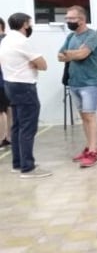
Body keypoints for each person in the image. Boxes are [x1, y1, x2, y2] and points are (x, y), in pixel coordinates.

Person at [0, 12, 50, 178]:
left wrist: (33, 64)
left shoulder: (6, 40)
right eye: (29, 23)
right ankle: (28, 168)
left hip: (10, 85)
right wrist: (34, 65)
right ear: (24, 24)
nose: (30, 27)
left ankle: (18, 163)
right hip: (24, 86)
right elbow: (43, 65)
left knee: (17, 126)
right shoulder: (22, 41)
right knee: (28, 127)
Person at [58, 5, 97, 168]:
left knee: (90, 116)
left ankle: (93, 152)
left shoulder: (93, 36)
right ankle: (91, 147)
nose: (68, 21)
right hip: (74, 82)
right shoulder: (71, 37)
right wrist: (73, 53)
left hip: (89, 83)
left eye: (71, 19)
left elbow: (82, 54)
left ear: (82, 19)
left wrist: (70, 54)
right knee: (83, 117)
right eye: (67, 19)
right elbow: (59, 56)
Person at [0, 16, 11, 149]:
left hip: (2, 82)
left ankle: (2, 138)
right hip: (7, 81)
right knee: (7, 110)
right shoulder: (8, 40)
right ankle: (7, 137)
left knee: (2, 111)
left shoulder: (3, 41)